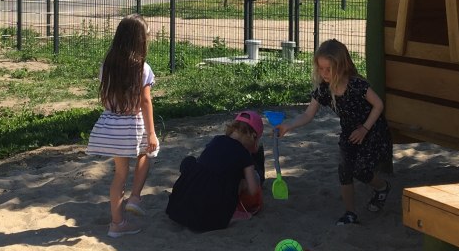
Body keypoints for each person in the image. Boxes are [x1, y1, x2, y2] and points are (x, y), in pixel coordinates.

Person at [276, 39, 392, 226]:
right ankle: (350, 214)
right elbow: (308, 114)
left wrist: (364, 128)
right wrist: (289, 125)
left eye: (328, 69)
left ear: (341, 65)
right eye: (320, 68)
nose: (324, 73)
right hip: (349, 133)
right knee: (344, 170)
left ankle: (382, 188)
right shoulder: (323, 89)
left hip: (372, 131)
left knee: (361, 170)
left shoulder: (357, 85)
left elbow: (378, 105)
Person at [85, 15, 159, 238]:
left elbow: (104, 97)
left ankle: (117, 223)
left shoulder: (107, 65)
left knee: (119, 174)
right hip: (131, 124)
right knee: (149, 152)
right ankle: (135, 197)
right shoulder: (142, 68)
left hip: (110, 122)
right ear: (140, 41)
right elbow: (145, 102)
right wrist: (152, 132)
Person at [165, 111, 264, 232]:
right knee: (237, 180)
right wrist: (243, 184)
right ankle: (232, 213)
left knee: (191, 161)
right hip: (211, 214)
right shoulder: (244, 155)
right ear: (253, 136)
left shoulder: (216, 140)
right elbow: (253, 190)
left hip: (182, 206)